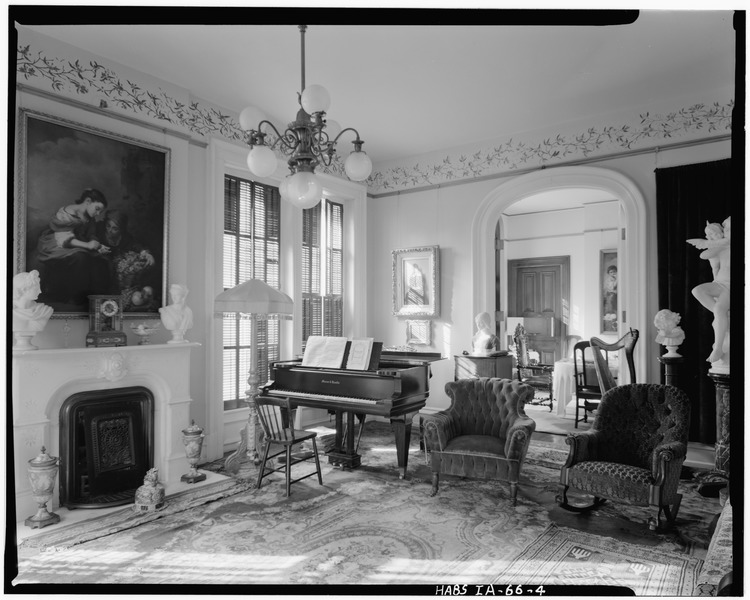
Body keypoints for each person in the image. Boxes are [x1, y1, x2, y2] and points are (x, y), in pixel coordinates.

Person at [35, 188, 110, 308]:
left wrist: (97, 244)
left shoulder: (89, 217)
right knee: (81, 257)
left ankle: (94, 297)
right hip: (57, 244)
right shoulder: (66, 214)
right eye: (97, 209)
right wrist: (88, 245)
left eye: (100, 212)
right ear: (88, 201)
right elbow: (64, 239)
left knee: (101, 260)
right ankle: (74, 297)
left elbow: (91, 234)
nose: (97, 214)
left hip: (78, 242)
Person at [687, 217, 731, 363]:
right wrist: (719, 245)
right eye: (726, 230)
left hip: (731, 286)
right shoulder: (724, 245)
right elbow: (704, 255)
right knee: (697, 291)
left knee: (719, 309)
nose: (727, 233)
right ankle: (721, 316)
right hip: (719, 283)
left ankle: (717, 348)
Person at [95, 209, 157, 310]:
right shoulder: (99, 233)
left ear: (121, 230)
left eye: (115, 228)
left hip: (118, 265)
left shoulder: (124, 237)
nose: (110, 230)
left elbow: (136, 245)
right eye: (108, 226)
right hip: (101, 263)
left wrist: (146, 253)